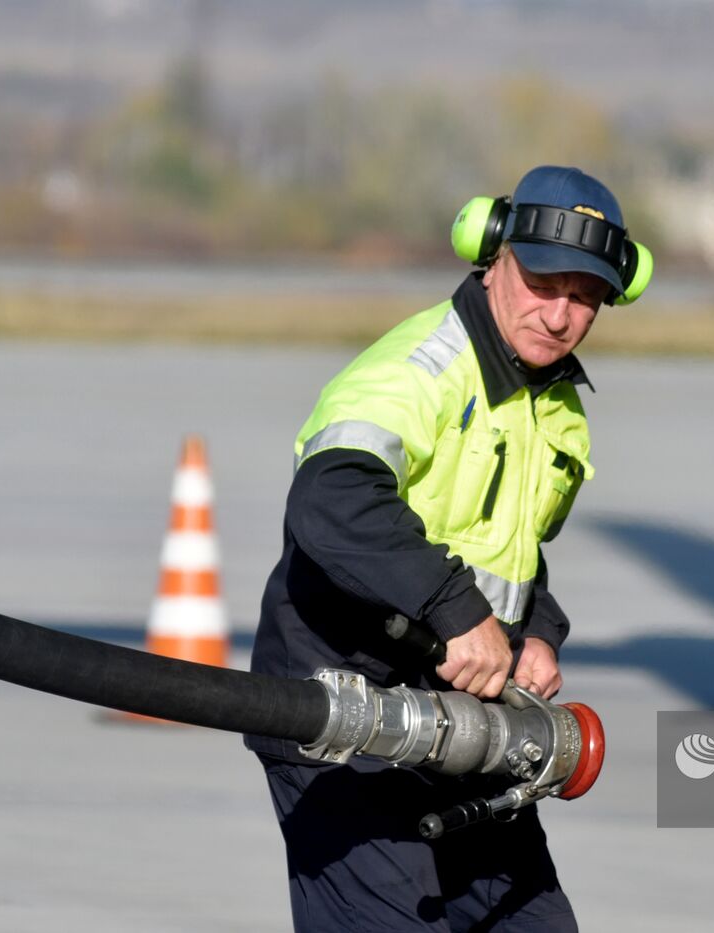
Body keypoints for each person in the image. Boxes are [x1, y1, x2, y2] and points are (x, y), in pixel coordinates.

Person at [245, 165, 650, 932]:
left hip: (458, 718)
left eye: (584, 295)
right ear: (491, 253)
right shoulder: (421, 369)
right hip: (345, 710)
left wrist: (533, 631)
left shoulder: (550, 402)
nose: (560, 315)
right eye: (542, 281)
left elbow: (503, 549)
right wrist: (456, 611)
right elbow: (331, 499)